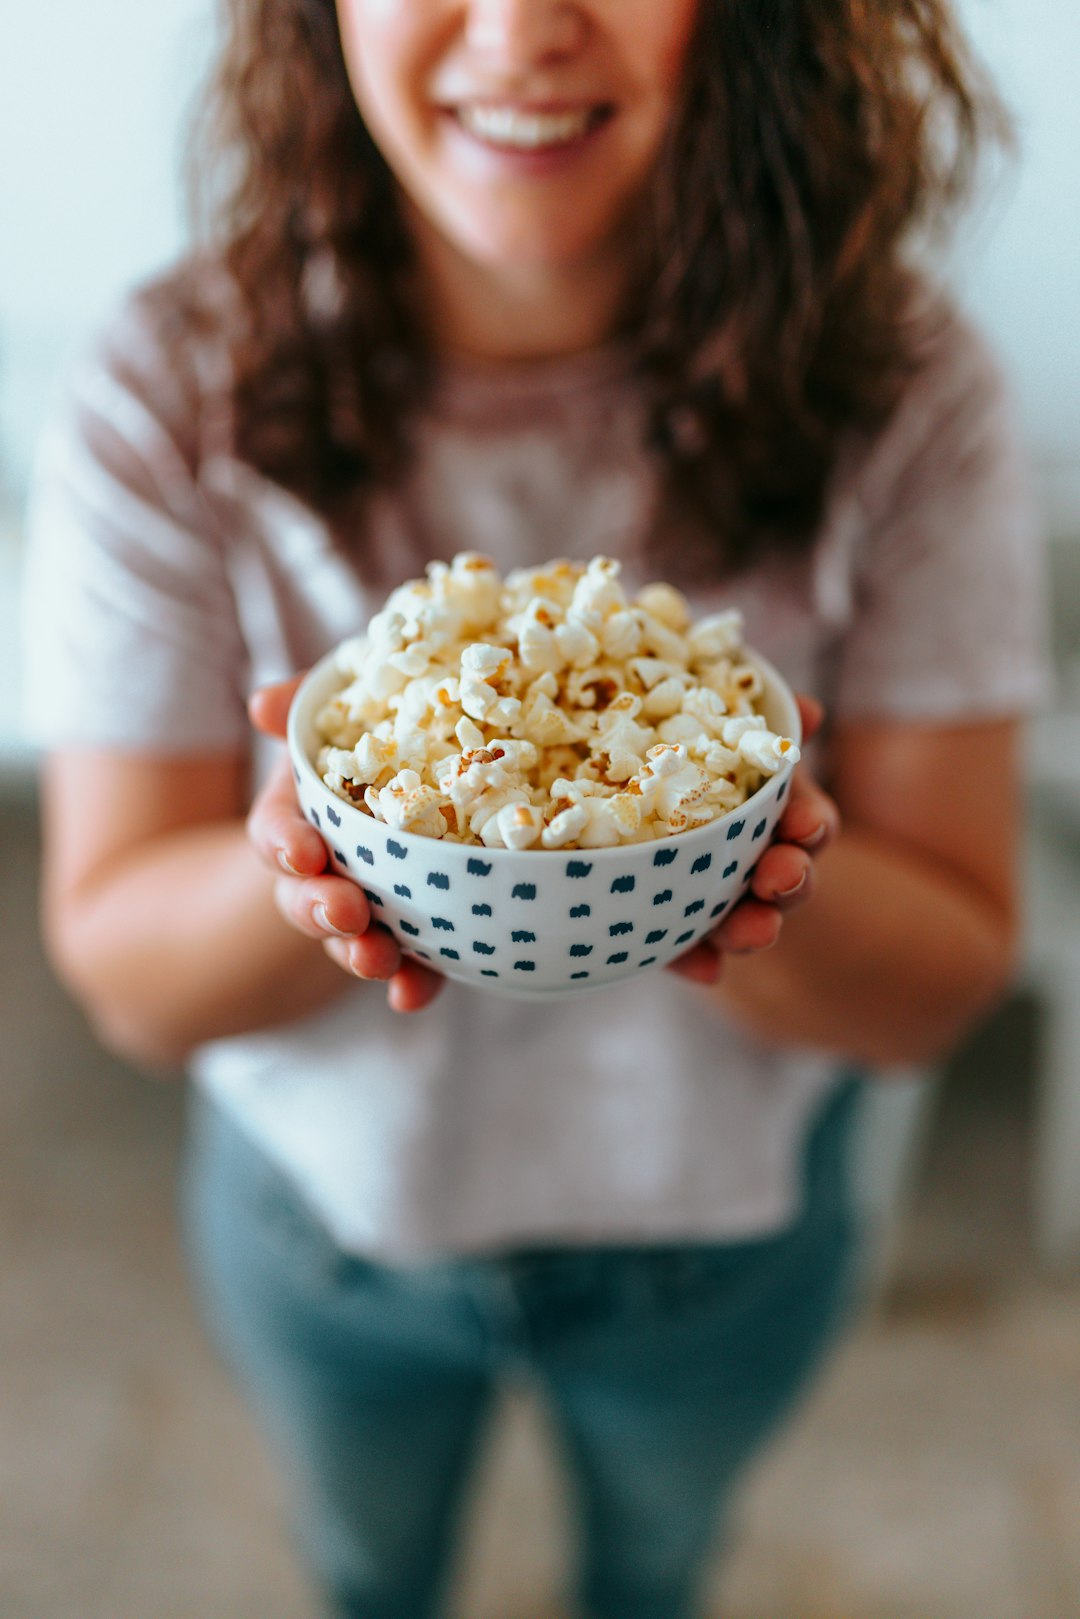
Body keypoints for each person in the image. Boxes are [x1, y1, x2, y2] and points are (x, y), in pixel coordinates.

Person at [23, 1, 1050, 1615]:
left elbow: (947, 971)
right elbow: (126, 975)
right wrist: (322, 857)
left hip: (723, 1242)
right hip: (326, 1225)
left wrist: (750, 867)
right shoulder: (172, 384)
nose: (519, 30)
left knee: (652, 1573)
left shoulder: (909, 391)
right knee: (369, 1571)